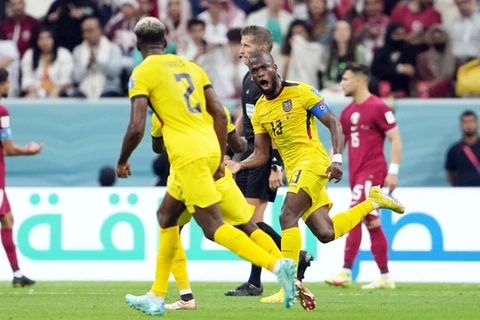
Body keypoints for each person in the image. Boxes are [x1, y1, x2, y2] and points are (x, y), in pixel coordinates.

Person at [116, 17, 297, 316]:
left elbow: (137, 126)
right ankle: (158, 295)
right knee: (167, 217)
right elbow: (219, 113)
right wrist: (217, 154)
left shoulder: (142, 72)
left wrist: (123, 160)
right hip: (207, 153)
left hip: (188, 157)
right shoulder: (191, 67)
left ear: (138, 44)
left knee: (213, 228)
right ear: (165, 41)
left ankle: (278, 266)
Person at [226, 50, 406, 309]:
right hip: (295, 169)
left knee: (286, 216)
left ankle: (287, 286)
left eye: (264, 68)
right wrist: (239, 164)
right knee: (326, 232)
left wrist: (337, 159)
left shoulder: (302, 92)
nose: (259, 74)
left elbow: (334, 123)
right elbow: (262, 153)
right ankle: (373, 201)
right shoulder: (261, 110)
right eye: (254, 71)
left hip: (313, 162)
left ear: (275, 67)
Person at [149, 108, 305, 311]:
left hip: (188, 179)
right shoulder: (215, 107)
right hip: (221, 177)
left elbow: (157, 147)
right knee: (250, 226)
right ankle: (288, 278)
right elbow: (237, 143)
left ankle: (183, 296)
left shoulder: (163, 112)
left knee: (175, 228)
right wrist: (236, 146)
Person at [225, 25, 314, 302]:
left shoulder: (270, 81)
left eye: (246, 45)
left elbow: (279, 126)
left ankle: (276, 269)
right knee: (246, 220)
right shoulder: (248, 78)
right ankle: (273, 270)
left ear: (263, 50)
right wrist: (232, 146)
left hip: (265, 155)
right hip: (251, 152)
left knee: (249, 220)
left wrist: (276, 165)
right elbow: (247, 116)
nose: (241, 49)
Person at [325, 63, 403, 289]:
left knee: (355, 213)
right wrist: (331, 164)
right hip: (356, 174)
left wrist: (393, 171)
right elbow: (340, 143)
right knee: (372, 220)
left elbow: (395, 139)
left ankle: (346, 270)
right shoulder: (348, 112)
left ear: (359, 81)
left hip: (373, 171)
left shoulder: (379, 107)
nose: (342, 84)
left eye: (346, 79)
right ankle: (385, 275)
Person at [0, 67, 43, 287]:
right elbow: (8, 148)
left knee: (7, 219)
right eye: (7, 83)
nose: (9, 87)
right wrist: (30, 151)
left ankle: (17, 274)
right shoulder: (2, 112)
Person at [445, 110, 480, 186]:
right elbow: (449, 175)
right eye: (465, 122)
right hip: (460, 194)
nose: (468, 125)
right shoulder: (453, 150)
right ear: (461, 125)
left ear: (477, 124)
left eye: (471, 121)